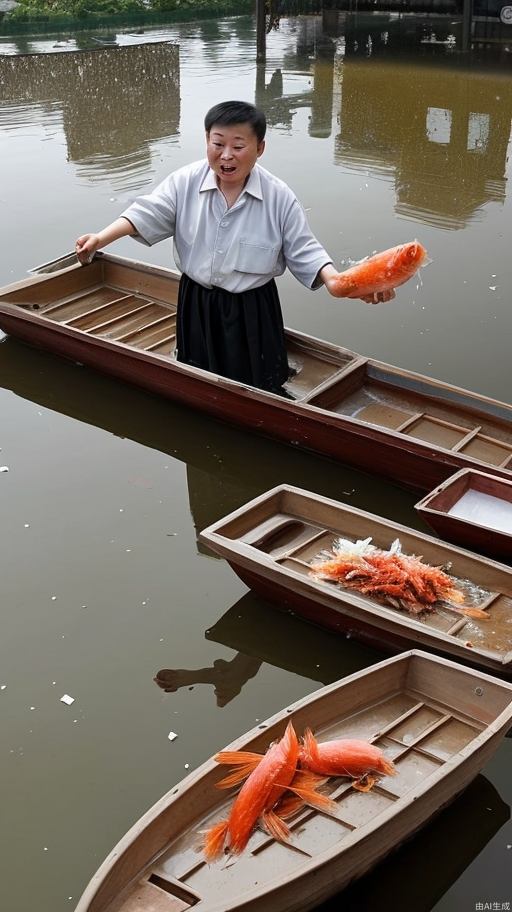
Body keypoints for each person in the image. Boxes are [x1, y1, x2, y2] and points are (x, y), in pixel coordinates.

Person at [75, 100, 394, 395]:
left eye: (238, 146)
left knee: (261, 383)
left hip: (252, 308)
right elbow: (147, 212)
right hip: (197, 301)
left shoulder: (279, 197)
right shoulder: (185, 181)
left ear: (260, 148)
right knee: (196, 378)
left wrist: (340, 283)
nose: (226, 155)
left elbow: (305, 250)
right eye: (218, 144)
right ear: (207, 142)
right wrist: (100, 238)